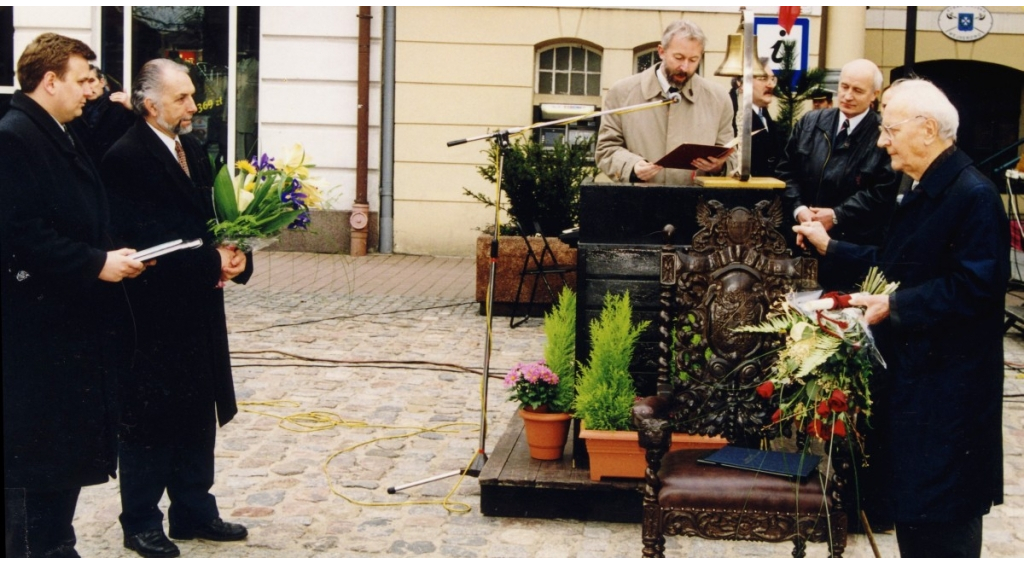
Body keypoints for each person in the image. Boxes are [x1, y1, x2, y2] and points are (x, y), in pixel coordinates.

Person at [794, 78, 1007, 558]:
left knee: (943, 519)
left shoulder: (972, 195)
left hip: (950, 396)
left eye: (889, 130)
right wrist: (834, 249)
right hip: (921, 388)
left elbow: (977, 287)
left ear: (926, 129)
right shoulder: (926, 187)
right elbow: (898, 262)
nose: (882, 140)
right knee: (917, 512)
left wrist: (897, 305)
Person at [1, 33, 145, 558]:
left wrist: (111, 253)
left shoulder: (57, 130)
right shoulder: (15, 137)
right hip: (37, 333)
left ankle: (56, 543)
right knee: (39, 457)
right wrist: (96, 263)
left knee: (60, 456)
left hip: (67, 324)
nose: (94, 92)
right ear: (50, 80)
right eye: (85, 80)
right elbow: (20, 233)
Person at [100, 58, 251, 558]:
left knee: (195, 412)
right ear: (150, 105)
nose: (193, 106)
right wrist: (210, 261)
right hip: (151, 314)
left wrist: (235, 255)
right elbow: (146, 240)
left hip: (197, 309)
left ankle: (193, 509)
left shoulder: (192, 149)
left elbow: (210, 222)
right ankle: (140, 519)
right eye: (182, 98)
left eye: (191, 96)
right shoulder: (126, 157)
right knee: (149, 418)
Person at [777, 58, 896, 288]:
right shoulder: (811, 122)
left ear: (874, 95)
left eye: (858, 90)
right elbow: (785, 171)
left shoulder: (883, 134)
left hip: (849, 250)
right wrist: (800, 210)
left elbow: (881, 193)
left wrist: (836, 215)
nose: (848, 96)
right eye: (844, 86)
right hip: (799, 241)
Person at [596, 19, 735, 186]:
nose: (685, 67)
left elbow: (731, 154)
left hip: (697, 206)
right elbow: (606, 149)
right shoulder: (622, 92)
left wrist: (719, 167)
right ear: (661, 52)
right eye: (678, 57)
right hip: (639, 203)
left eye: (693, 60)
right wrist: (631, 166)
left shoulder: (719, 98)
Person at [68, 64, 135, 166]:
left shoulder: (117, 106)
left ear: (102, 82)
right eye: (82, 82)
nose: (88, 87)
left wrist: (132, 109)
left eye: (91, 81)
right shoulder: (75, 109)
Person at [733, 59, 783, 178]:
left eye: (772, 79)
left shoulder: (762, 112)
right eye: (763, 78)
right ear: (742, 82)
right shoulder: (733, 111)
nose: (771, 84)